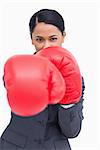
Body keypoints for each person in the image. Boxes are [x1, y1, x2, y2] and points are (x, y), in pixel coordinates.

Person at [0, 9, 85, 150]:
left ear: (63, 37)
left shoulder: (74, 77)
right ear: (32, 39)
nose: (46, 46)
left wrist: (68, 101)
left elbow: (72, 131)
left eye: (53, 39)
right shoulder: (20, 70)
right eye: (39, 39)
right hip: (14, 145)